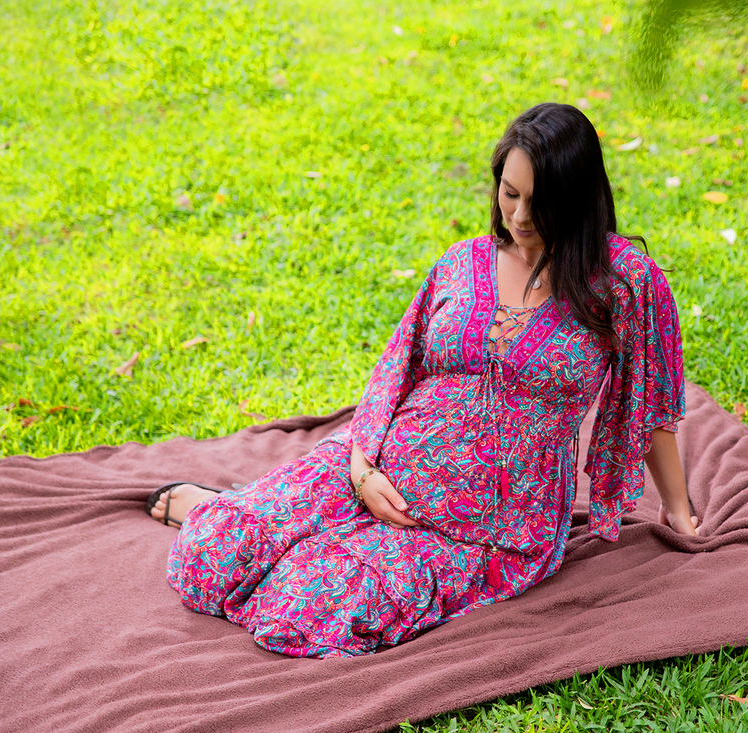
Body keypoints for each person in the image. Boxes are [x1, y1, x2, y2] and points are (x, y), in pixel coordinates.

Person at [146, 102, 699, 658]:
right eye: (510, 193)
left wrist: (677, 509)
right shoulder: (461, 262)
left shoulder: (625, 282)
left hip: (486, 524)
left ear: (578, 198)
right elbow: (394, 371)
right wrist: (363, 470)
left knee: (309, 606)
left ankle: (283, 542)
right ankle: (239, 515)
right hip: (379, 463)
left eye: (541, 201)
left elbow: (649, 402)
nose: (520, 215)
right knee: (211, 553)